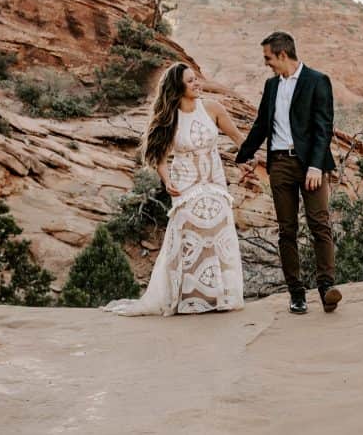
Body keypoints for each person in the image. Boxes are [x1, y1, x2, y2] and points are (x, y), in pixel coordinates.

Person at [103, 62, 247, 315]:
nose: (197, 83)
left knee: (219, 233)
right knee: (190, 238)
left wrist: (249, 160)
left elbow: (238, 138)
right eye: (190, 81)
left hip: (215, 181)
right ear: (177, 86)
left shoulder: (213, 108)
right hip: (185, 184)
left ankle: (222, 297)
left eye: (196, 79)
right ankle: (188, 299)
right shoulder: (170, 117)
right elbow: (158, 155)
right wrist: (167, 180)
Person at [236, 31, 341, 315]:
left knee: (320, 224)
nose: (266, 64)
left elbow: (323, 127)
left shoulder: (318, 81)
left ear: (283, 54)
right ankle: (297, 294)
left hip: (311, 164)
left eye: (268, 58)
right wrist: (242, 156)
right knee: (287, 230)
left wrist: (316, 165)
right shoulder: (271, 86)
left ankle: (326, 288)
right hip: (280, 163)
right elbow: (261, 126)